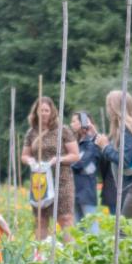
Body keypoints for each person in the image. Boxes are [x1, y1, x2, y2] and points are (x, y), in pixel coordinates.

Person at [21, 95, 80, 243]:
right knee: (41, 219)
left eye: (47, 110)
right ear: (36, 112)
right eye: (41, 110)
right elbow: (24, 155)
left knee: (65, 218)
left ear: (52, 111)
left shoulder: (63, 130)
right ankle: (40, 255)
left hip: (62, 180)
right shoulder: (31, 133)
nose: (44, 113)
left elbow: (75, 155)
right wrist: (31, 161)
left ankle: (69, 253)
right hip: (41, 181)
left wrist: (59, 159)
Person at [70, 112, 102, 223]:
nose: (71, 124)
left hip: (86, 191)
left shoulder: (91, 143)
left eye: (74, 121)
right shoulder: (77, 143)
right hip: (75, 190)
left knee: (92, 229)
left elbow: (80, 163)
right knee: (77, 230)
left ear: (83, 123)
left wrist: (66, 162)